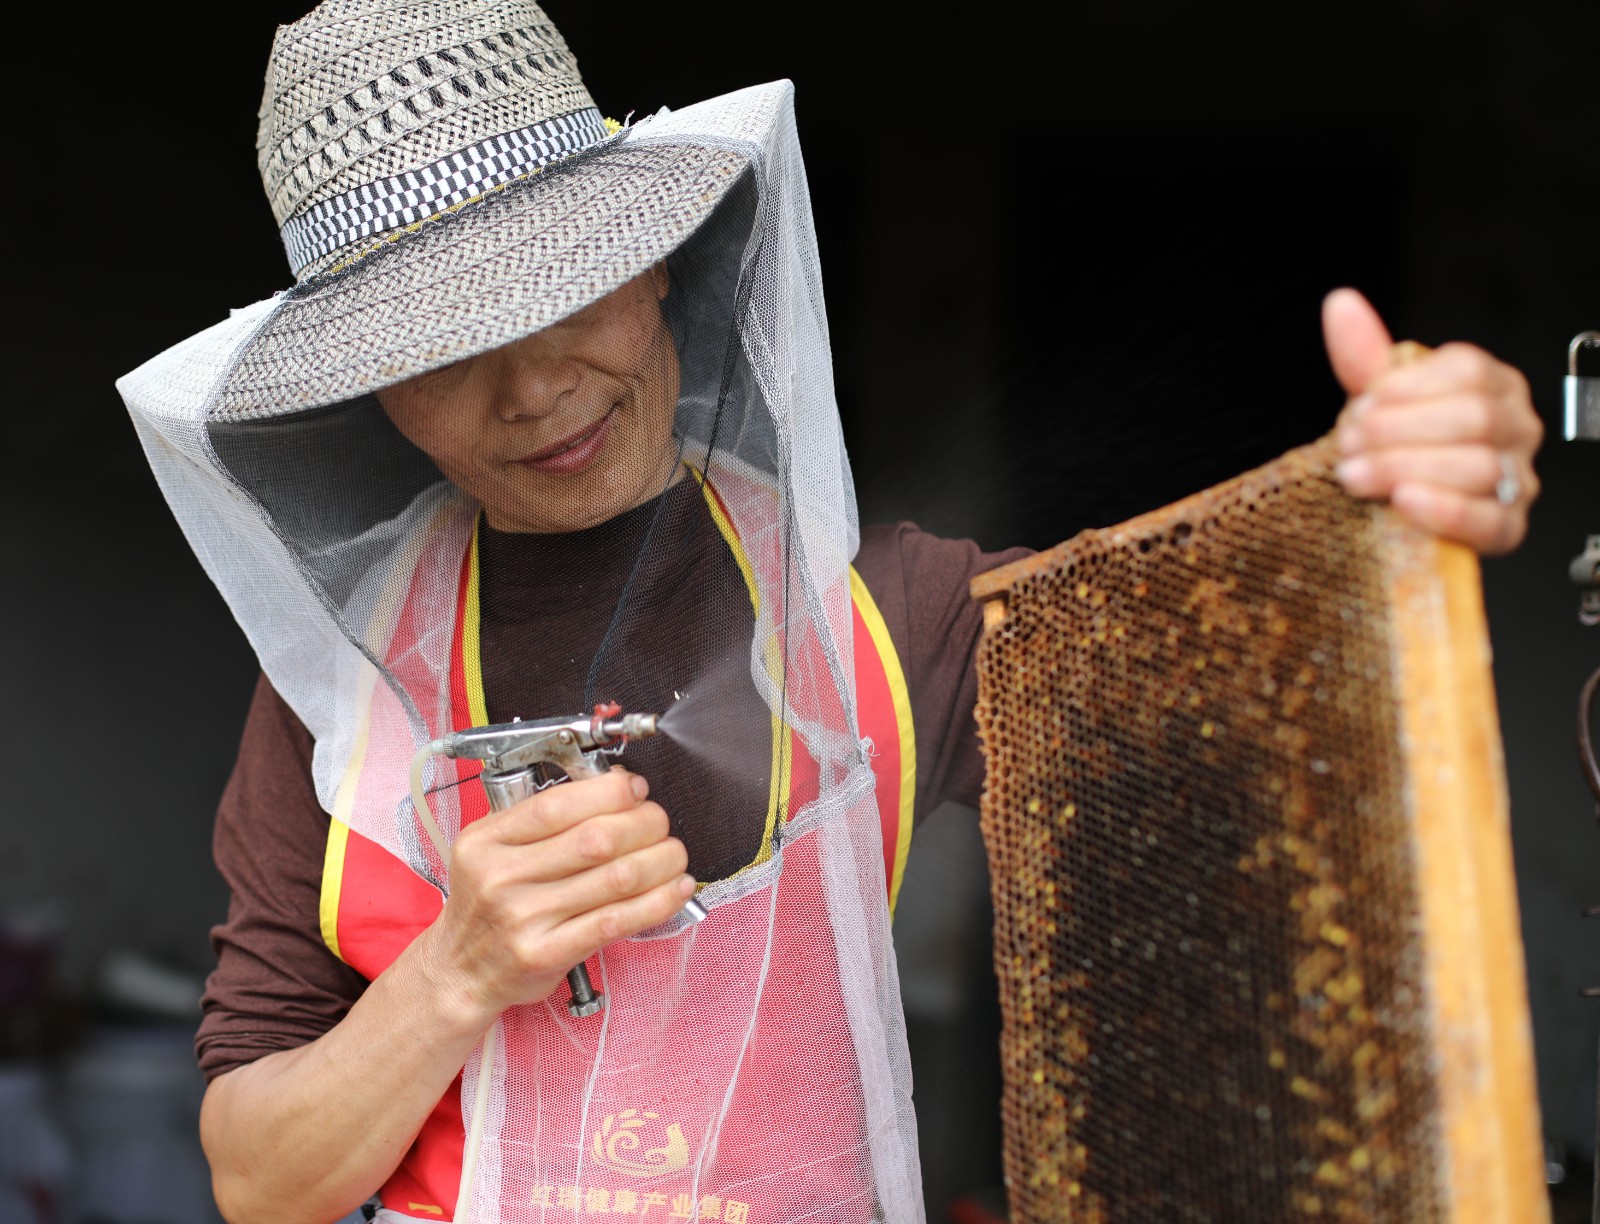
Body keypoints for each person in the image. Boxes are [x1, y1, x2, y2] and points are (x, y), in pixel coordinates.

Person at [116, 1, 1543, 1222]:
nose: (536, 381)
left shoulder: (887, 610)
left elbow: (1261, 728)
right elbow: (257, 1180)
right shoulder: (343, 692)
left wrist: (1389, 512)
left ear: (658, 255)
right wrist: (456, 974)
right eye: (442, 347)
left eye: (571, 289)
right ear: (372, 389)